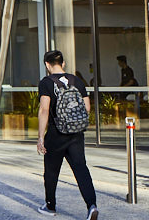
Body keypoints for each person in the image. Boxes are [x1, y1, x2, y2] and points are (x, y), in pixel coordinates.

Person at [37, 49, 97, 218]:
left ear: (47, 65)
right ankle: (91, 205)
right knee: (81, 169)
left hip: (56, 133)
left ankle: (50, 206)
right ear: (63, 64)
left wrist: (41, 137)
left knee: (51, 171)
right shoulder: (77, 81)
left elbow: (44, 110)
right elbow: (86, 108)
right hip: (76, 133)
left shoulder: (46, 83)